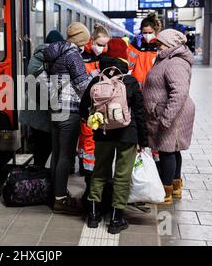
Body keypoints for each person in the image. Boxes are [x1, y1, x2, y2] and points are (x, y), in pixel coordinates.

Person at [79, 38, 148, 234]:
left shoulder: (96, 80)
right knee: (122, 176)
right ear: (125, 58)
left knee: (99, 172)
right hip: (127, 135)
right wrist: (143, 140)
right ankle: (116, 219)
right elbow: (140, 114)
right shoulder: (130, 80)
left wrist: (96, 122)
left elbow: (83, 110)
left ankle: (93, 215)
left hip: (102, 134)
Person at [43, 22, 92, 215]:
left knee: (57, 153)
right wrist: (95, 82)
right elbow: (82, 85)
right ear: (81, 40)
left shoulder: (56, 54)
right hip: (69, 109)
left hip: (55, 107)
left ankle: (56, 194)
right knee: (66, 155)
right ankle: (61, 200)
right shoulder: (73, 56)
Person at [143, 29, 195, 205]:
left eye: (160, 44)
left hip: (171, 114)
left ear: (170, 44)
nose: (157, 47)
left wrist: (166, 118)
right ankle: (176, 187)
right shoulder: (166, 58)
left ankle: (165, 193)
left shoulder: (175, 63)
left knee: (167, 151)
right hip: (166, 112)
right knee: (172, 149)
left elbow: (179, 92)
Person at [19, 30, 64, 167]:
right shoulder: (55, 57)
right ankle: (44, 180)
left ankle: (38, 177)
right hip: (46, 110)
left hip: (34, 110)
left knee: (40, 149)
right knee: (48, 148)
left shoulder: (36, 57)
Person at [78, 24, 111, 205]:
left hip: (102, 108)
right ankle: (89, 185)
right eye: (99, 44)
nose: (102, 48)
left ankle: (95, 187)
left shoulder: (105, 57)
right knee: (88, 144)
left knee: (96, 146)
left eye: (105, 45)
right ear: (92, 41)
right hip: (89, 108)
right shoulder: (82, 58)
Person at [129, 13, 162, 88]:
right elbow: (129, 66)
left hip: (154, 87)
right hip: (138, 87)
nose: (147, 35)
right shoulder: (134, 45)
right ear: (141, 32)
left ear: (155, 31)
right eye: (145, 33)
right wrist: (136, 47)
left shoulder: (161, 45)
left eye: (150, 33)